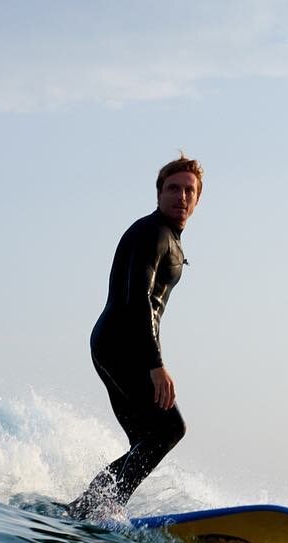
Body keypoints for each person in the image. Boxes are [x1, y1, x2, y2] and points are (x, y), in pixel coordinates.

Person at [68, 155, 203, 519]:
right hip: (121, 344)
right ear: (159, 193)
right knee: (169, 429)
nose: (181, 196)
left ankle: (83, 509)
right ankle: (107, 510)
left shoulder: (168, 238)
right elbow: (138, 298)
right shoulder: (153, 233)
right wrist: (156, 364)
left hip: (116, 344)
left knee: (147, 439)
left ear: (198, 199)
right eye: (173, 188)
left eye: (189, 190)